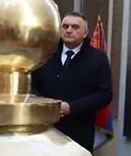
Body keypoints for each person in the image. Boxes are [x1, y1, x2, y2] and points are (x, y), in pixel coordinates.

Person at [32, 12, 113, 152]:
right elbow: (31, 87)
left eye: (75, 27)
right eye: (65, 26)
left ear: (85, 33)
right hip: (44, 131)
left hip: (78, 132)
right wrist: (48, 105)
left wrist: (71, 107)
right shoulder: (45, 54)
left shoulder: (97, 58)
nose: (69, 30)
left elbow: (104, 94)